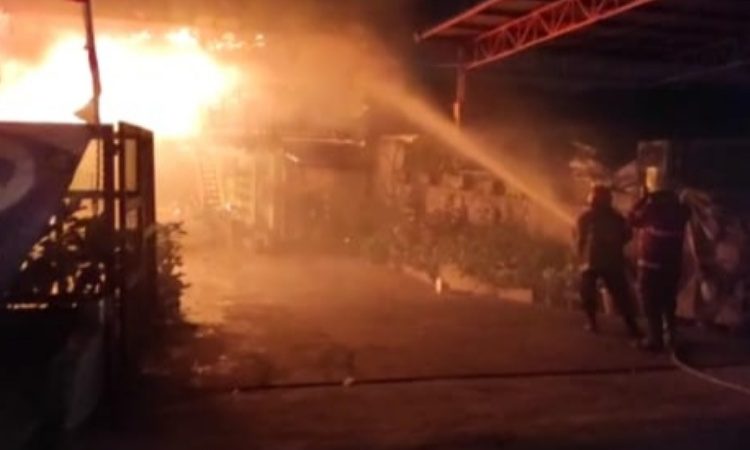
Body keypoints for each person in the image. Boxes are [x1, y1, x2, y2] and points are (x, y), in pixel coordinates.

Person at [629, 170, 691, 351]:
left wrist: (644, 198)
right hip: (672, 266)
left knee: (650, 302)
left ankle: (654, 339)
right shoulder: (682, 210)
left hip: (650, 265)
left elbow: (632, 219)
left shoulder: (652, 209)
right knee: (668, 301)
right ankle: (670, 336)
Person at [576, 184, 641, 338]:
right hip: (610, 260)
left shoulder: (587, 217)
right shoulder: (616, 218)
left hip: (593, 260)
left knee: (590, 292)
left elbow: (581, 239)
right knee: (621, 295)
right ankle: (631, 327)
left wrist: (579, 255)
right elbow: (627, 235)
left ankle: (593, 323)